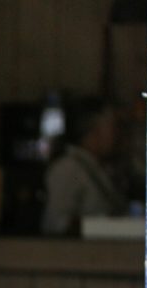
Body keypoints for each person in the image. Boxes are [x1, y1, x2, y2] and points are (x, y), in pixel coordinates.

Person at [41, 97, 129, 235]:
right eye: (113, 127)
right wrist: (100, 226)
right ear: (94, 130)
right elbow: (56, 223)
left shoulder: (102, 168)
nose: (118, 134)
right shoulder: (68, 168)